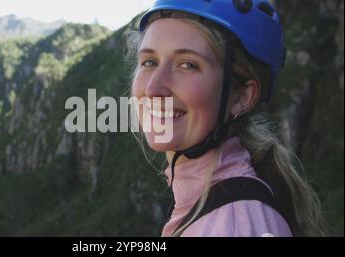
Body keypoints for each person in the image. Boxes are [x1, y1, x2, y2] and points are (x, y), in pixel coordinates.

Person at [128, 0, 329, 236]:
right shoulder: (210, 204)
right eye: (149, 62)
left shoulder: (235, 223)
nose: (153, 89)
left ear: (243, 96)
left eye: (187, 64)